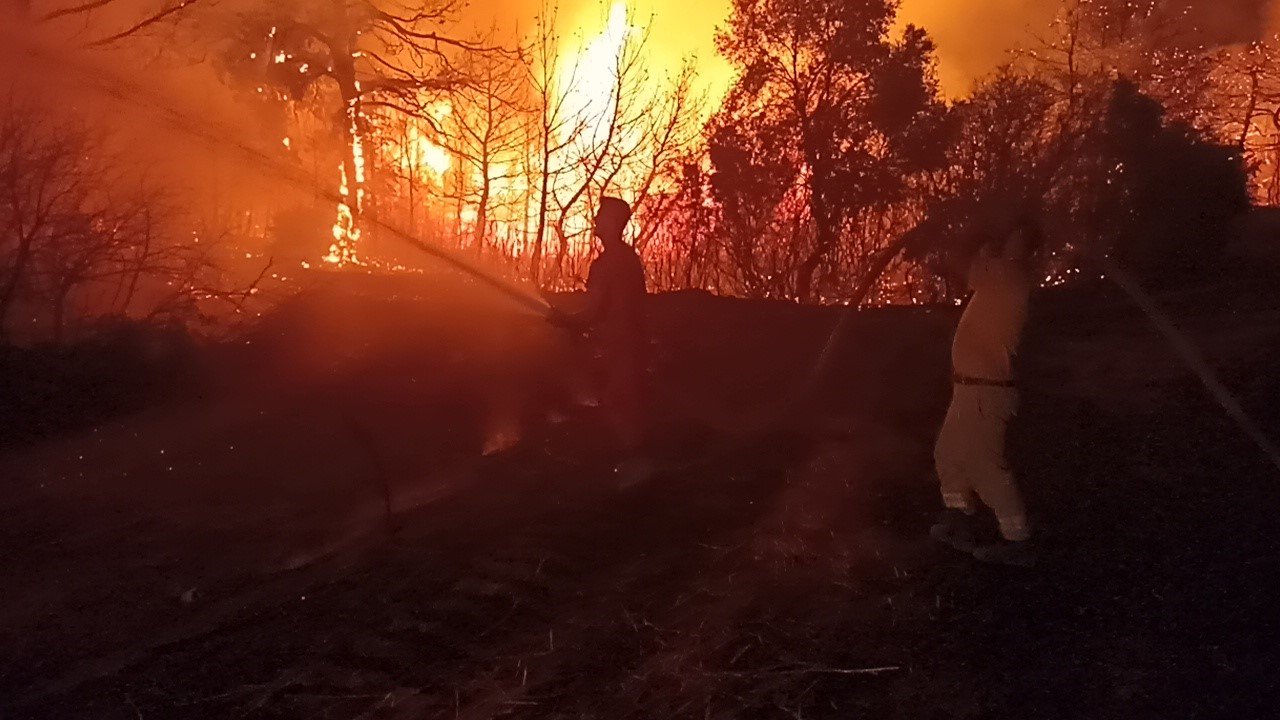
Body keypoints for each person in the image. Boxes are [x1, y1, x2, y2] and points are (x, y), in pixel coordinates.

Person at [930, 214, 1042, 567]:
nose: (1010, 241)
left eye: (1016, 237)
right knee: (947, 453)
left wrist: (979, 245)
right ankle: (959, 520)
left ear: (1026, 246)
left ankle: (1019, 540)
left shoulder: (1010, 275)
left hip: (985, 392)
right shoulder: (1002, 276)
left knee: (986, 467)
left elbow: (965, 267)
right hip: (971, 390)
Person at [548, 197, 649, 465]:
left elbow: (591, 312)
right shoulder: (629, 259)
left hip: (619, 350)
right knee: (627, 412)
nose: (595, 220)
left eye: (601, 216)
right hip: (629, 347)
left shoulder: (606, 264)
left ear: (614, 222)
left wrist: (562, 319)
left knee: (621, 414)